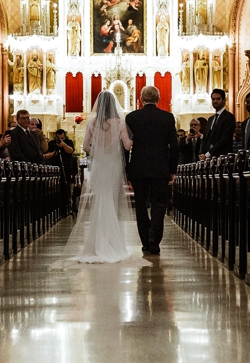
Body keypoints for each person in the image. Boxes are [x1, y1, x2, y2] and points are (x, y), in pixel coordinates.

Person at [69, 91, 139, 263]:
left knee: (100, 199)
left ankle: (97, 244)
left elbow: (85, 146)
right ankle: (112, 243)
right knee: (112, 200)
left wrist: (99, 153)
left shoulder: (92, 122)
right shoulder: (120, 122)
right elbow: (127, 145)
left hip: (100, 166)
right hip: (114, 166)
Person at [124, 85, 178, 256]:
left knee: (140, 205)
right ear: (158, 99)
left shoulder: (132, 117)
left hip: (138, 168)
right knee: (159, 204)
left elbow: (125, 146)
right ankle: (154, 236)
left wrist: (126, 168)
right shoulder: (167, 117)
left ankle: (146, 241)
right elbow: (174, 146)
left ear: (141, 98)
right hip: (160, 167)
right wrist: (172, 168)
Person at [199, 88, 235, 158]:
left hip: (222, 157)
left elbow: (224, 139)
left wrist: (208, 154)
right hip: (208, 158)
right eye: (213, 99)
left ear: (224, 100)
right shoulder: (210, 119)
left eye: (218, 99)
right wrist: (202, 153)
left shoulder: (229, 117)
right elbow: (205, 139)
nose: (215, 101)